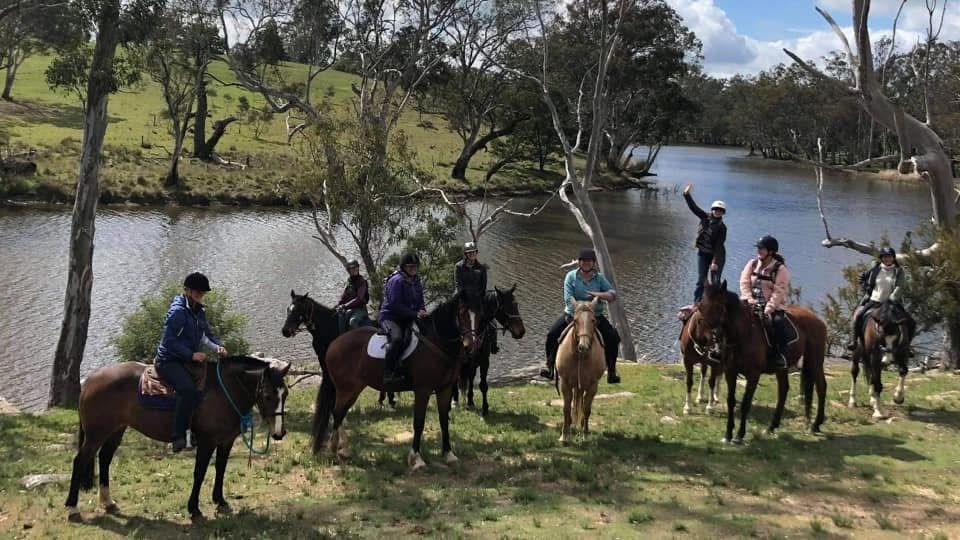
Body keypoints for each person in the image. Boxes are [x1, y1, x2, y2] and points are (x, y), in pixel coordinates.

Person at [155, 272, 227, 452]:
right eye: (196, 293)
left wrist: (218, 346)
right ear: (187, 291)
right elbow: (169, 342)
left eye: (201, 293)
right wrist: (191, 355)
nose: (199, 296)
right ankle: (178, 436)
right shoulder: (177, 312)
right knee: (187, 390)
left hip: (185, 359)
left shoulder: (199, 311)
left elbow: (205, 335)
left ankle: (196, 429)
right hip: (169, 360)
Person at [540, 248, 621, 384]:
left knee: (613, 338)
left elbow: (612, 294)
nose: (586, 263)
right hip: (573, 315)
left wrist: (597, 295)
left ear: (594, 263)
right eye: (583, 261)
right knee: (552, 335)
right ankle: (550, 367)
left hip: (595, 317)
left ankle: (611, 371)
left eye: (589, 261)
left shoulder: (599, 278)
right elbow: (568, 299)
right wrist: (583, 309)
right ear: (579, 262)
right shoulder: (570, 277)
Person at [846, 247, 913, 351]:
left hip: (892, 303)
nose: (887, 259)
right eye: (885, 257)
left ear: (893, 258)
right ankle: (853, 341)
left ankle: (907, 347)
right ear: (881, 258)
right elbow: (862, 278)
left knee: (911, 322)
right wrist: (865, 287)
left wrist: (892, 298)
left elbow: (900, 286)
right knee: (857, 316)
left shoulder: (899, 271)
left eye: (889, 257)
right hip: (874, 301)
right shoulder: (875, 268)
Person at [739, 236, 790, 370]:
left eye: (762, 248)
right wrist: (749, 299)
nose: (759, 251)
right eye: (758, 248)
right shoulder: (752, 264)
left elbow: (779, 291)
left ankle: (779, 355)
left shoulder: (780, 269)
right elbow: (744, 283)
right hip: (750, 302)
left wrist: (769, 308)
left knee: (778, 322)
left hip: (772, 306)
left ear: (771, 252)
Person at [379, 253, 427, 385]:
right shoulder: (396, 281)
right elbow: (395, 305)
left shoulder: (416, 280)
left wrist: (422, 310)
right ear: (404, 267)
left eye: (415, 267)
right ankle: (388, 372)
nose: (413, 269)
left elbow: (420, 300)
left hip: (407, 316)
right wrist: (415, 314)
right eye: (410, 267)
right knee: (397, 339)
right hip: (390, 317)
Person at [683, 182, 727, 304]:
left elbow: (718, 246)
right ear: (712, 210)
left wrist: (714, 262)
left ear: (723, 213)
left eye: (720, 210)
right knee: (701, 279)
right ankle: (696, 303)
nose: (718, 211)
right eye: (716, 209)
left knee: (715, 281)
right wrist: (686, 194)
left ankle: (716, 303)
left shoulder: (722, 228)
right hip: (703, 253)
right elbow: (694, 208)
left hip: (717, 256)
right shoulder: (705, 217)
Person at [454, 241, 497, 354]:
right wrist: (464, 299)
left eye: (473, 252)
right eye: (469, 253)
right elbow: (458, 284)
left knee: (492, 324)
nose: (472, 254)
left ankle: (493, 346)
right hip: (463, 300)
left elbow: (483, 287)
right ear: (466, 254)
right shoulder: (459, 267)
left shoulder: (481, 268)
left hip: (477, 301)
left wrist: (479, 300)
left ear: (476, 253)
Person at [336, 259, 370, 332]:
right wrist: (339, 304)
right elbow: (343, 294)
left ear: (358, 268)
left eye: (355, 268)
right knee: (340, 316)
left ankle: (357, 340)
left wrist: (345, 306)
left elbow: (359, 298)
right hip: (350, 309)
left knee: (353, 321)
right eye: (352, 269)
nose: (354, 270)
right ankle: (343, 337)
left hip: (361, 309)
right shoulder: (349, 281)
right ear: (349, 270)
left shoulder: (362, 281)